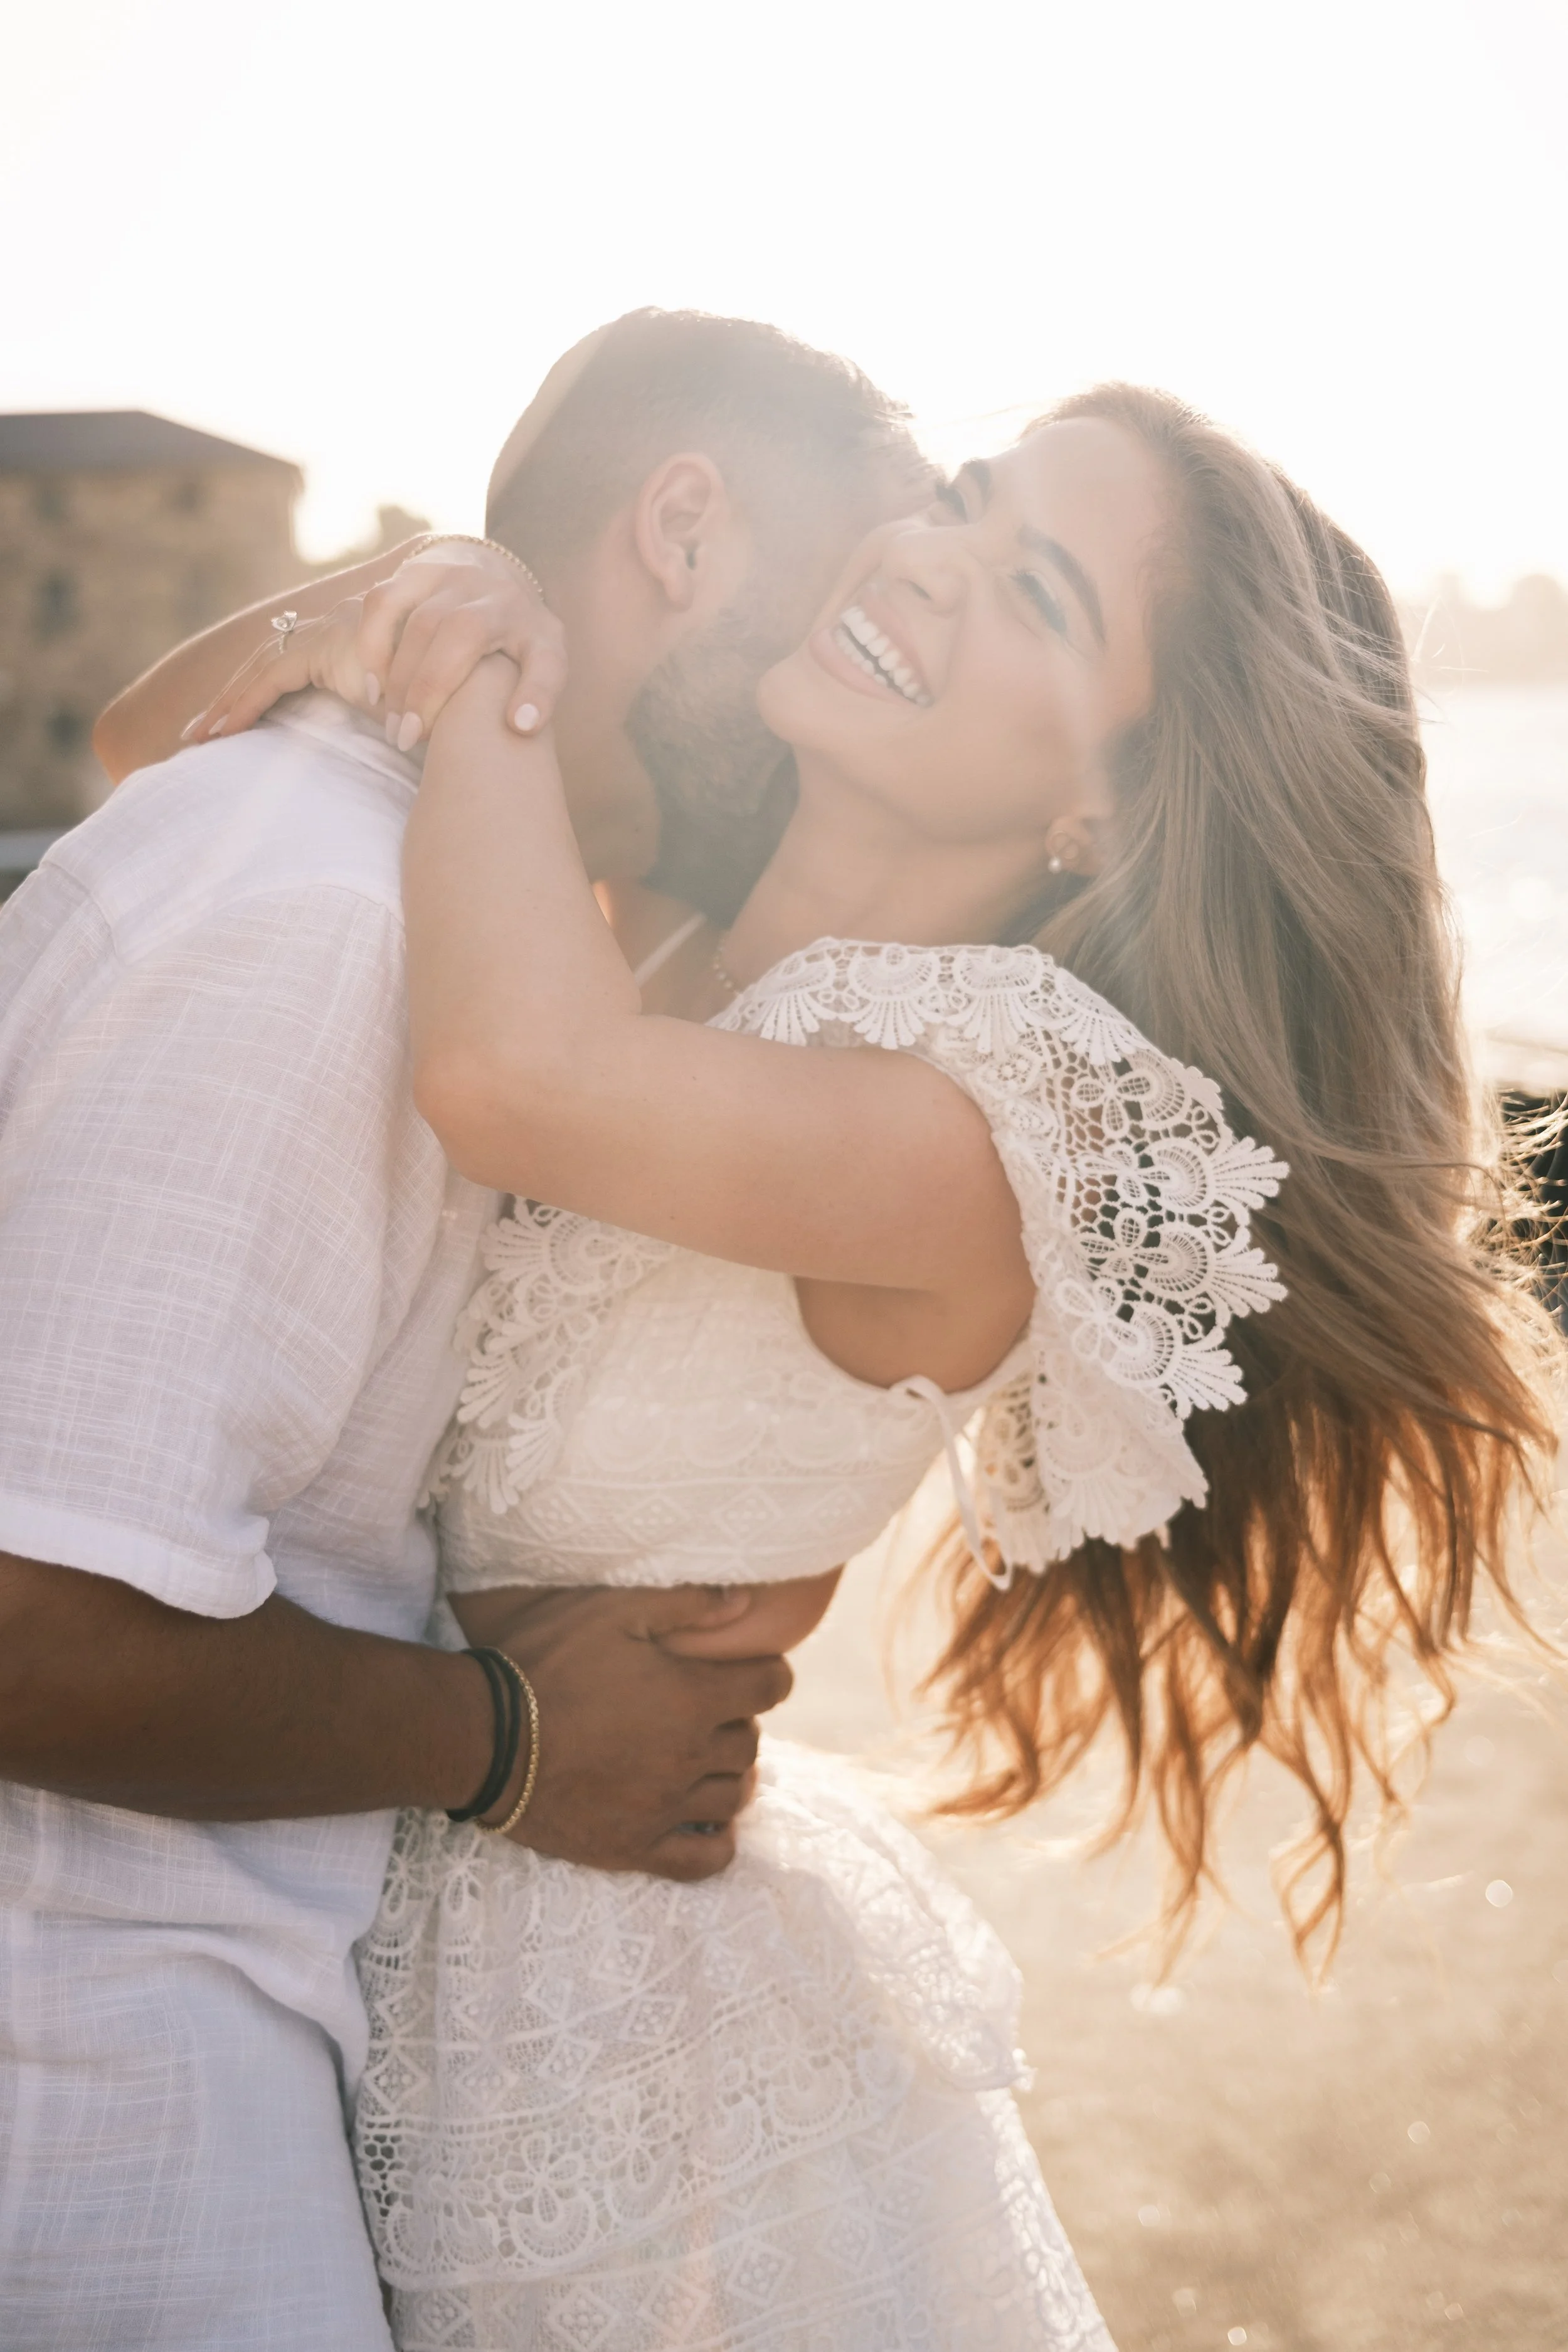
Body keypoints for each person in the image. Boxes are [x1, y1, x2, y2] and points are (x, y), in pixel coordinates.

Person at [215, 381, 1555, 2346]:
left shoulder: (986, 1124)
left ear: (1100, 798)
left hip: (613, 2029)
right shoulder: (645, 933)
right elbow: (146, 747)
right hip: (371, 1900)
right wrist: (378, 600)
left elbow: (507, 1080)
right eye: (963, 494)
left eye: (1027, 585)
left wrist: (476, 633)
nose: (920, 555)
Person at [0, 312, 929, 2351]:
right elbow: (24, 1617)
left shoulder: (406, 887)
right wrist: (513, 1737)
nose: (833, 686)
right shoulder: (320, 912)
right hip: (101, 2106)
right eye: (840, 602)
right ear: (680, 530)